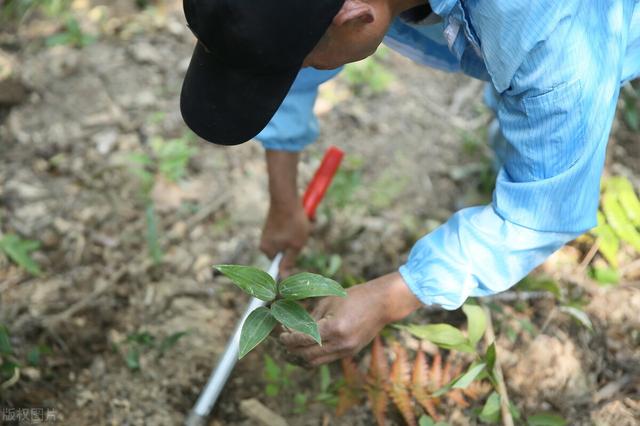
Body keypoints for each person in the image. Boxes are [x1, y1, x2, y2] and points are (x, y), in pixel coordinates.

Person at [180, 0, 640, 366]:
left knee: (537, 113)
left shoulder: (549, 38)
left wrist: (390, 296)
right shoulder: (332, 12)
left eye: (304, 65)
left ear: (357, 18)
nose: (299, 73)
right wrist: (284, 201)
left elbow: (544, 212)